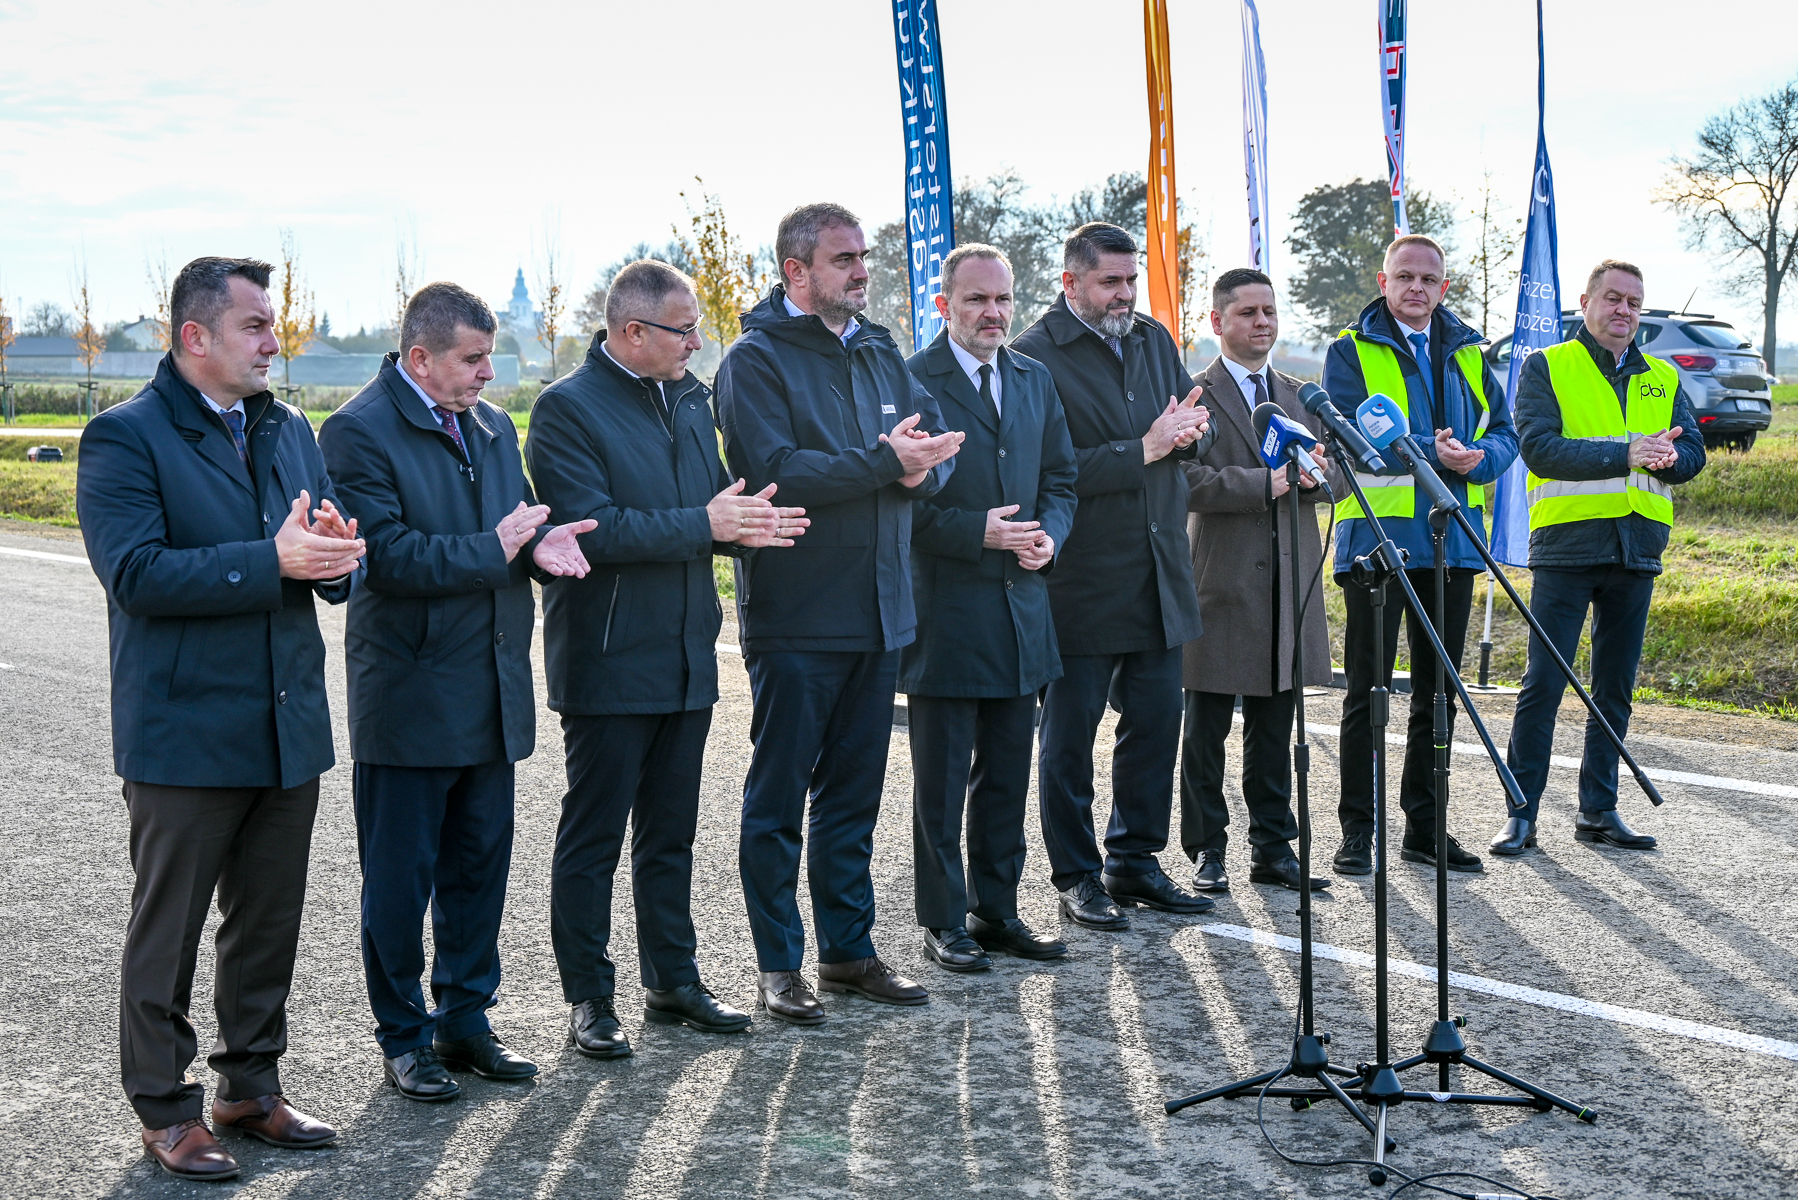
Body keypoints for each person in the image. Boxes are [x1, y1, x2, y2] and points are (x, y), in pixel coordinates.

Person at [78, 257, 364, 1180]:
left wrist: (336, 559)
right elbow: (137, 575)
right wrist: (271, 562)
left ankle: (250, 1085)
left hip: (288, 724)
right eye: (255, 326)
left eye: (273, 323)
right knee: (169, 931)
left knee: (266, 922)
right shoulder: (124, 439)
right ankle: (166, 1110)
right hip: (185, 732)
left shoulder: (291, 430)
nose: (275, 341)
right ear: (195, 336)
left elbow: (320, 547)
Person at [319, 283, 595, 1101]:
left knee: (479, 871)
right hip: (409, 696)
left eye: (490, 358)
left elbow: (509, 525)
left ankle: (468, 1021)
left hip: (490, 685)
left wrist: (539, 543)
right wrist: (497, 546)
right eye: (473, 360)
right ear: (419, 358)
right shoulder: (357, 431)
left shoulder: (492, 425)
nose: (488, 375)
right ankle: (404, 1036)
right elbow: (388, 556)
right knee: (401, 883)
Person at [527, 261, 807, 1055]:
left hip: (686, 655)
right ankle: (590, 998)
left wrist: (752, 523)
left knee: (671, 834)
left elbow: (717, 502)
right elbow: (593, 527)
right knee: (595, 837)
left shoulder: (689, 398)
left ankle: (672, 981)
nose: (697, 341)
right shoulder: (565, 411)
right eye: (683, 329)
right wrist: (708, 523)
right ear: (632, 332)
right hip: (610, 658)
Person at [717, 202, 960, 1023]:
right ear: (797, 272)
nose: (863, 271)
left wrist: (923, 473)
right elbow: (776, 471)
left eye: (863, 257)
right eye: (844, 259)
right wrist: (887, 463)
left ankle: (849, 952)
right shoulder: (753, 362)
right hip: (799, 611)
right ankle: (778, 963)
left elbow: (933, 450)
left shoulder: (881, 349)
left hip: (883, 608)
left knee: (855, 796)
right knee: (781, 797)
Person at [1011, 222, 1215, 929]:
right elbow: (1044, 471)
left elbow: (1194, 415)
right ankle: (1076, 874)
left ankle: (1135, 859)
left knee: (1158, 721)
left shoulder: (1153, 338)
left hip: (1160, 568)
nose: (1125, 292)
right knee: (1069, 735)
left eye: (1131, 279)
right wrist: (1145, 448)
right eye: (1110, 282)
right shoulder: (1033, 357)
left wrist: (1195, 434)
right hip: (1084, 577)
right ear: (1070, 282)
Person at [901, 244, 1078, 970]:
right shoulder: (913, 380)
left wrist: (1051, 539)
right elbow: (897, 505)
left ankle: (997, 909)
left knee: (1007, 773)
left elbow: (1062, 479)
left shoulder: (1034, 379)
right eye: (976, 300)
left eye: (1003, 299)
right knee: (941, 784)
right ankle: (944, 920)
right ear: (945, 305)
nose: (993, 313)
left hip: (1022, 611)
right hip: (946, 613)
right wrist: (976, 531)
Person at [1490, 261, 1705, 855]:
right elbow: (1539, 448)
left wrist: (1668, 459)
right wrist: (1628, 452)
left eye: (1635, 302)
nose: (1624, 310)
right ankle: (1521, 812)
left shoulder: (1662, 377)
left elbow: (1694, 455)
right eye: (1613, 298)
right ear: (1586, 302)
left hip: (1637, 548)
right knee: (1545, 683)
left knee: (1614, 688)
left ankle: (1599, 811)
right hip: (1566, 547)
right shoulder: (1547, 366)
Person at [1322, 234, 1518, 877]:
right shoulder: (1349, 352)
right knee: (1365, 693)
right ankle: (1357, 832)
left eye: (1427, 279)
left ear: (1445, 287)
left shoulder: (1467, 353)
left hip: (1451, 544)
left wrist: (1478, 458)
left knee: (1438, 695)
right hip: (1378, 542)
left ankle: (1425, 829)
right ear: (1383, 281)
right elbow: (1358, 439)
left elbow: (1505, 435)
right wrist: (1440, 454)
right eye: (1404, 276)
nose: (1416, 288)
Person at [1180, 268, 1337, 894]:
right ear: (1217, 323)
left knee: (1276, 729)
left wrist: (1317, 477)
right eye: (1247, 313)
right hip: (1220, 582)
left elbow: (1342, 480)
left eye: (1270, 311)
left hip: (1288, 588)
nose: (1263, 323)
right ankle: (1206, 848)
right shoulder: (1193, 394)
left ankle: (1274, 848)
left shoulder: (1303, 396)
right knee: (1207, 728)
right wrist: (1261, 484)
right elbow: (1180, 483)